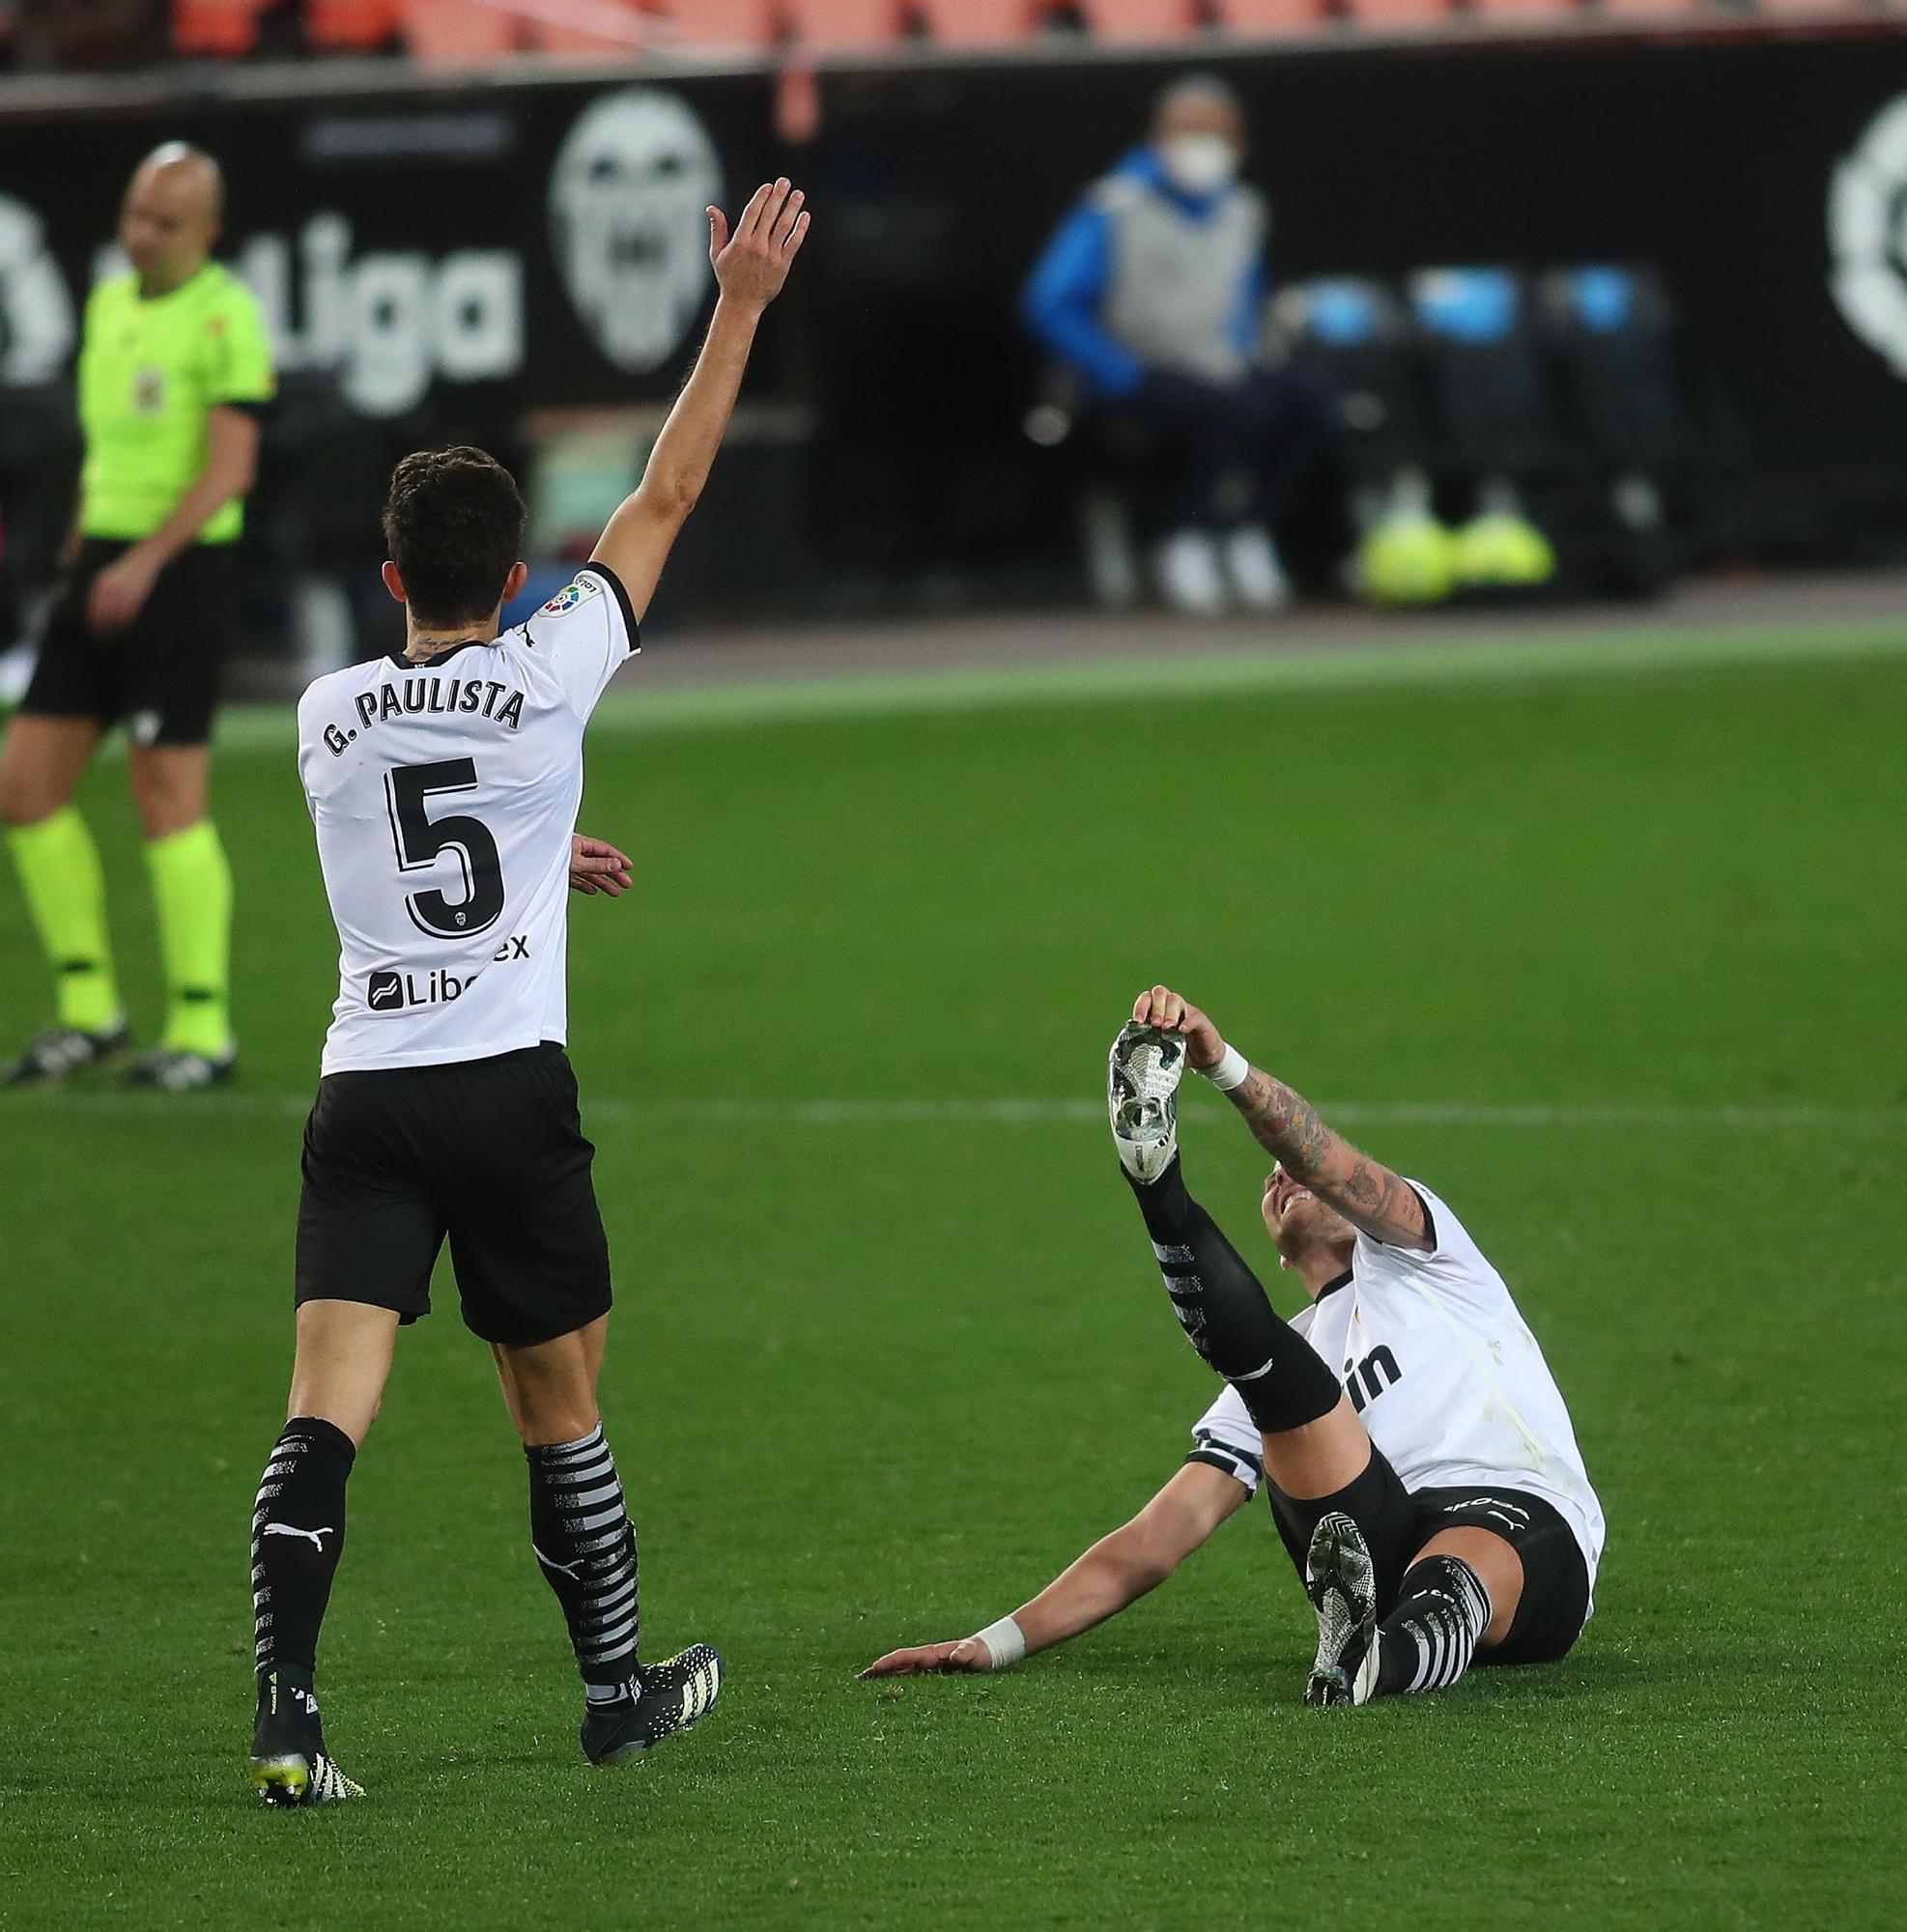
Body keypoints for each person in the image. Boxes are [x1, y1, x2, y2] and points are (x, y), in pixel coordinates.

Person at [246, 178, 811, 1806]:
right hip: (505, 1086)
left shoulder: (321, 714)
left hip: (364, 1097)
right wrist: (743, 305)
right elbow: (670, 487)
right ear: (512, 577)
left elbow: (403, 820)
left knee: (323, 1409)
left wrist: (529, 830)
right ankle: (617, 1693)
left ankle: (289, 1717)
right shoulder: (554, 666)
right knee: (554, 1397)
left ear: (387, 574)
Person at [865, 985, 1605, 1708]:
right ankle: (1158, 1182)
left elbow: (1324, 1160)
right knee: (1269, 1373)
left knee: (1453, 1565)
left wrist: (1222, 1067)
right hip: (1371, 1544)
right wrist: (992, 1642)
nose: (1286, 1178)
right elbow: (1159, 1537)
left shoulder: (1428, 1257)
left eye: (1297, 1174)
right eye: (1271, 1185)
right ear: (1278, 1257)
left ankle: (1379, 1658)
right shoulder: (1299, 1344)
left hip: (1523, 1522)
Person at [0, 142, 274, 1090]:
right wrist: (85, 552)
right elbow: (104, 451)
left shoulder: (226, 317)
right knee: (24, 786)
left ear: (208, 231)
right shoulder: (110, 302)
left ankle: (204, 1025)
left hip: (183, 573)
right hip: (103, 569)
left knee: (167, 799)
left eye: (163, 221)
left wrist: (148, 561)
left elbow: (230, 468)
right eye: (133, 214)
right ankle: (88, 1008)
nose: (140, 234)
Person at [1021, 75, 1334, 617]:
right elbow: (1049, 303)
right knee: (1212, 410)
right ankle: (1184, 541)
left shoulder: (1243, 209)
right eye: (1190, 131)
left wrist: (1248, 358)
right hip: (1136, 375)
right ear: (1159, 136)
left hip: (1219, 367)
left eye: (1217, 133)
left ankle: (1247, 533)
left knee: (1308, 401)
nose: (1203, 146)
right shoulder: (1113, 206)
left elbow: (1246, 301)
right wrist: (1116, 370)